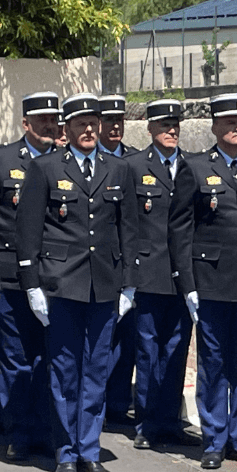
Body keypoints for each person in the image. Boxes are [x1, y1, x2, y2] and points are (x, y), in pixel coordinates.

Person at [16, 93, 137, 472]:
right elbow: (28, 231)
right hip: (62, 284)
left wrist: (129, 285)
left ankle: (89, 449)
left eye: (94, 122)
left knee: (97, 371)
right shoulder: (46, 167)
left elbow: (128, 230)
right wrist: (32, 285)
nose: (89, 129)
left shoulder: (118, 169)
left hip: (104, 285)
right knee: (65, 371)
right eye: (80, 123)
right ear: (66, 128)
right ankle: (65, 451)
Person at [168, 93, 237, 471]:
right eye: (230, 122)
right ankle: (214, 440)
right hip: (212, 284)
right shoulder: (196, 167)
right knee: (214, 365)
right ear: (215, 127)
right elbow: (181, 230)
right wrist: (188, 286)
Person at [0, 91, 59, 462]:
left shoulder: (65, 161)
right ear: (26, 124)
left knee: (53, 358)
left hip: (56, 276)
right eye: (41, 121)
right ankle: (20, 433)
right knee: (15, 357)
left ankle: (49, 429)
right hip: (9, 278)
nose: (49, 126)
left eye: (53, 120)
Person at [124, 99, 198, 449]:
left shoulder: (192, 166)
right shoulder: (134, 166)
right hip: (148, 271)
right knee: (147, 350)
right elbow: (127, 223)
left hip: (182, 276)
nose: (172, 131)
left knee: (177, 349)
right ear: (150, 129)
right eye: (165, 125)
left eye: (176, 126)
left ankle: (170, 421)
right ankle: (147, 421)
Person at [97, 94, 138, 426]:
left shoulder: (134, 162)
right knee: (98, 342)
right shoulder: (89, 161)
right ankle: (97, 402)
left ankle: (118, 403)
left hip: (126, 263)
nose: (114, 126)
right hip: (96, 267)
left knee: (126, 341)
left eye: (119, 121)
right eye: (108, 121)